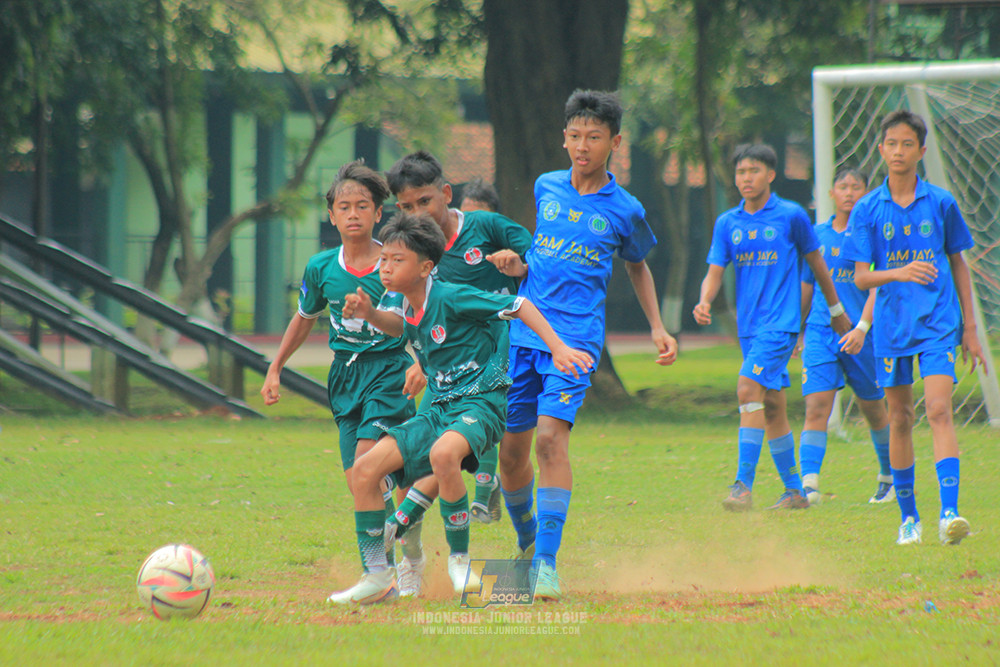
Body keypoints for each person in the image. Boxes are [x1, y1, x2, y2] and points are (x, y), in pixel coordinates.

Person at [327, 213, 592, 604]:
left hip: (480, 404)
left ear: (426, 267)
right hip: (440, 408)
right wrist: (368, 314)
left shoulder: (452, 295)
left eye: (397, 260)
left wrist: (559, 349)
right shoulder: (405, 302)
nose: (385, 267)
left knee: (443, 454)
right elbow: (400, 326)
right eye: (384, 260)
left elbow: (519, 305)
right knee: (364, 471)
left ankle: (460, 559)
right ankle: (378, 578)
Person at [489, 89, 678, 601]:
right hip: (524, 334)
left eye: (594, 137)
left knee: (551, 440)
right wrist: (520, 266)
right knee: (511, 455)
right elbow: (547, 254)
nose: (582, 146)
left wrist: (658, 327)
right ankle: (527, 547)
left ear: (614, 142)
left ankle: (547, 565)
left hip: (575, 342)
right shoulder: (546, 186)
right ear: (564, 138)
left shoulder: (625, 208)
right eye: (574, 136)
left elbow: (637, 266)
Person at [381, 151, 532, 597]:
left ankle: (527, 544)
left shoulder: (486, 227)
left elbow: (542, 256)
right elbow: (427, 320)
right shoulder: (420, 255)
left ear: (445, 195)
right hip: (450, 375)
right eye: (404, 207)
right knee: (435, 454)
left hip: (504, 355)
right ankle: (413, 557)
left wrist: (521, 266)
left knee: (512, 457)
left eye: (422, 202)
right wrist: (420, 361)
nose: (415, 214)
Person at [260, 160, 421, 567]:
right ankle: (394, 555)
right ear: (331, 216)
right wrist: (276, 366)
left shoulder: (396, 261)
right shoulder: (321, 268)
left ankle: (379, 571)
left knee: (368, 464)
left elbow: (409, 322)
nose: (353, 213)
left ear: (378, 213)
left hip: (388, 372)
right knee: (358, 482)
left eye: (362, 205)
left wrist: (374, 318)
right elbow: (303, 318)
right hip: (345, 377)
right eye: (344, 206)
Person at [844, 110, 986, 546]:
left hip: (939, 324)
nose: (899, 151)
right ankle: (909, 519)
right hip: (890, 327)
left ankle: (949, 514)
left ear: (921, 151)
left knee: (940, 409)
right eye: (892, 144)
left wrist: (970, 327)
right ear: (882, 149)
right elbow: (860, 277)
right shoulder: (867, 209)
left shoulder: (940, 202)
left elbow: (959, 264)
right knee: (900, 419)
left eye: (908, 144)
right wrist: (900, 272)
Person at [694, 144, 851, 513]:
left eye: (753, 170)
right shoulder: (727, 223)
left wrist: (835, 309)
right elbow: (715, 271)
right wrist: (704, 301)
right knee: (774, 407)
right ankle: (795, 492)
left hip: (779, 326)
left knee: (747, 387)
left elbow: (817, 265)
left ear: (771, 174)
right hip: (749, 330)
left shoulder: (791, 216)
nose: (746, 178)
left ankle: (742, 486)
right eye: (740, 172)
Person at [797, 167, 892, 506]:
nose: (849, 192)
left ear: (866, 194)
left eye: (856, 187)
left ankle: (888, 477)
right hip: (822, 332)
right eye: (843, 186)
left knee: (874, 409)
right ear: (831, 193)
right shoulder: (816, 235)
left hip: (864, 335)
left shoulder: (874, 236)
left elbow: (877, 289)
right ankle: (808, 486)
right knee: (816, 406)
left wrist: (861, 328)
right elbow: (807, 286)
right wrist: (798, 329)